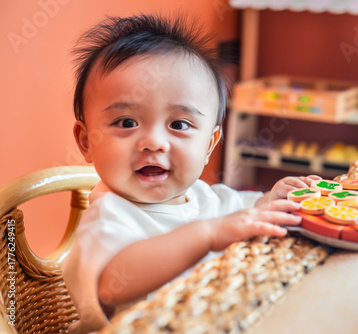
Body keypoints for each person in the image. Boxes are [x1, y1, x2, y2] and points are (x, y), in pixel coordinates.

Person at [62, 14, 321, 333]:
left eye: (179, 125)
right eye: (127, 122)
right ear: (87, 141)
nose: (154, 142)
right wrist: (207, 235)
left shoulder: (204, 197)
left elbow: (246, 213)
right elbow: (112, 284)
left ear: (210, 144)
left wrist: (273, 199)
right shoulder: (108, 217)